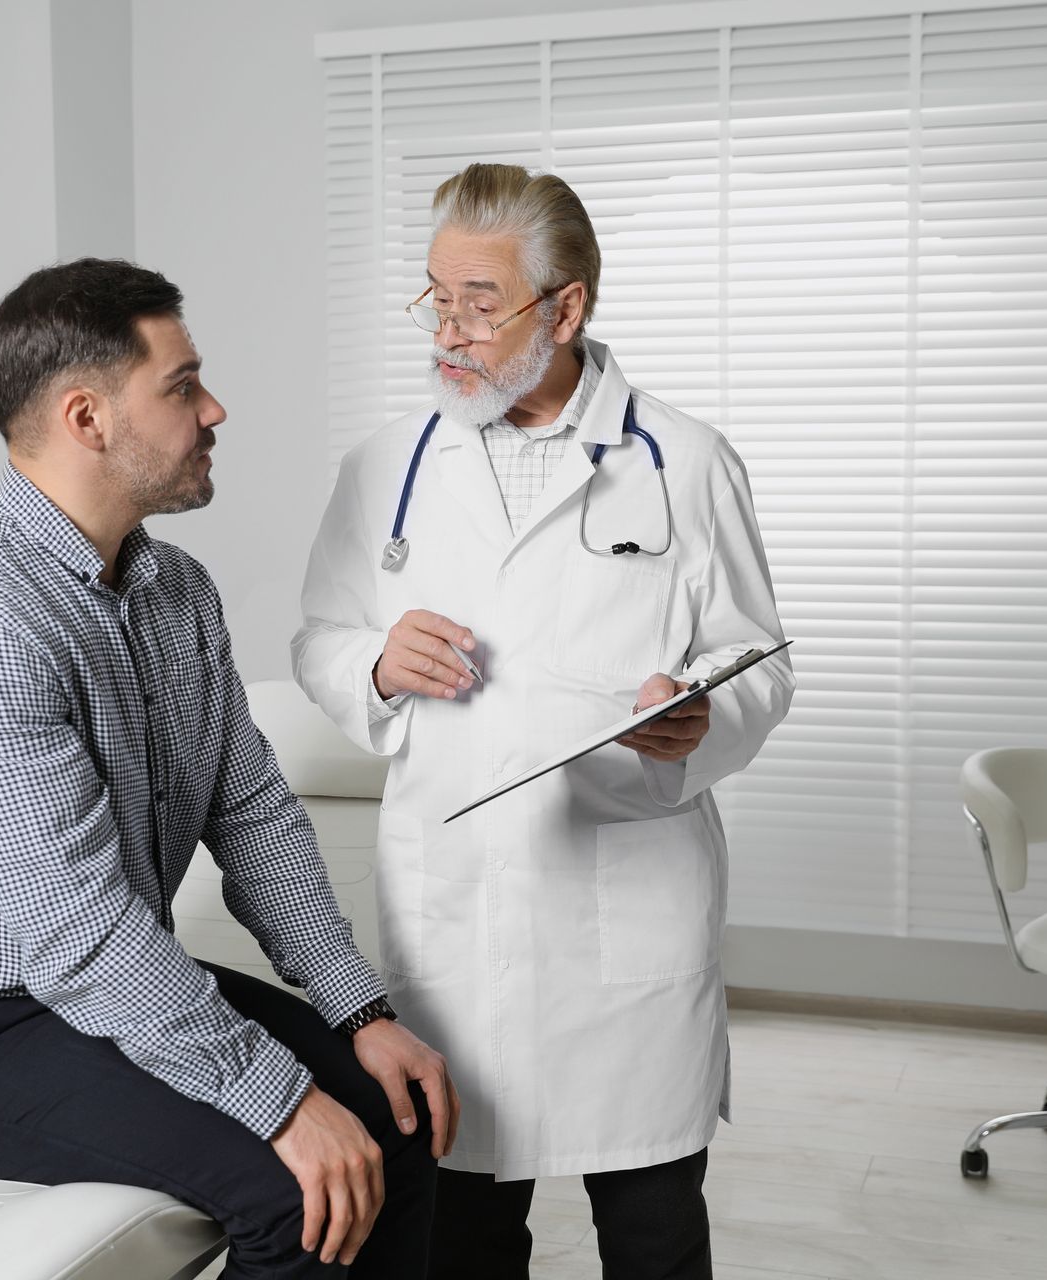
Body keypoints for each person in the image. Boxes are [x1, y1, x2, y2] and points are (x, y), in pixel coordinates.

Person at [0, 258, 455, 1279]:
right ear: (86, 417)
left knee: (389, 1117)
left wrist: (360, 1008)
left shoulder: (175, 589)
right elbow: (80, 929)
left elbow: (252, 808)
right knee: (293, 1181)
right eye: (181, 386)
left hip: (91, 995)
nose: (214, 407)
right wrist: (278, 1099)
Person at [292, 164, 794, 1280]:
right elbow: (319, 639)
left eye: (481, 300)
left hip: (626, 899)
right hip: (456, 908)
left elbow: (756, 664)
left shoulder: (686, 460)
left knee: (654, 1226)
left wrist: (698, 715)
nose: (449, 329)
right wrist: (375, 660)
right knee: (464, 1227)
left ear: (566, 308)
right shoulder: (385, 466)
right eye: (436, 296)